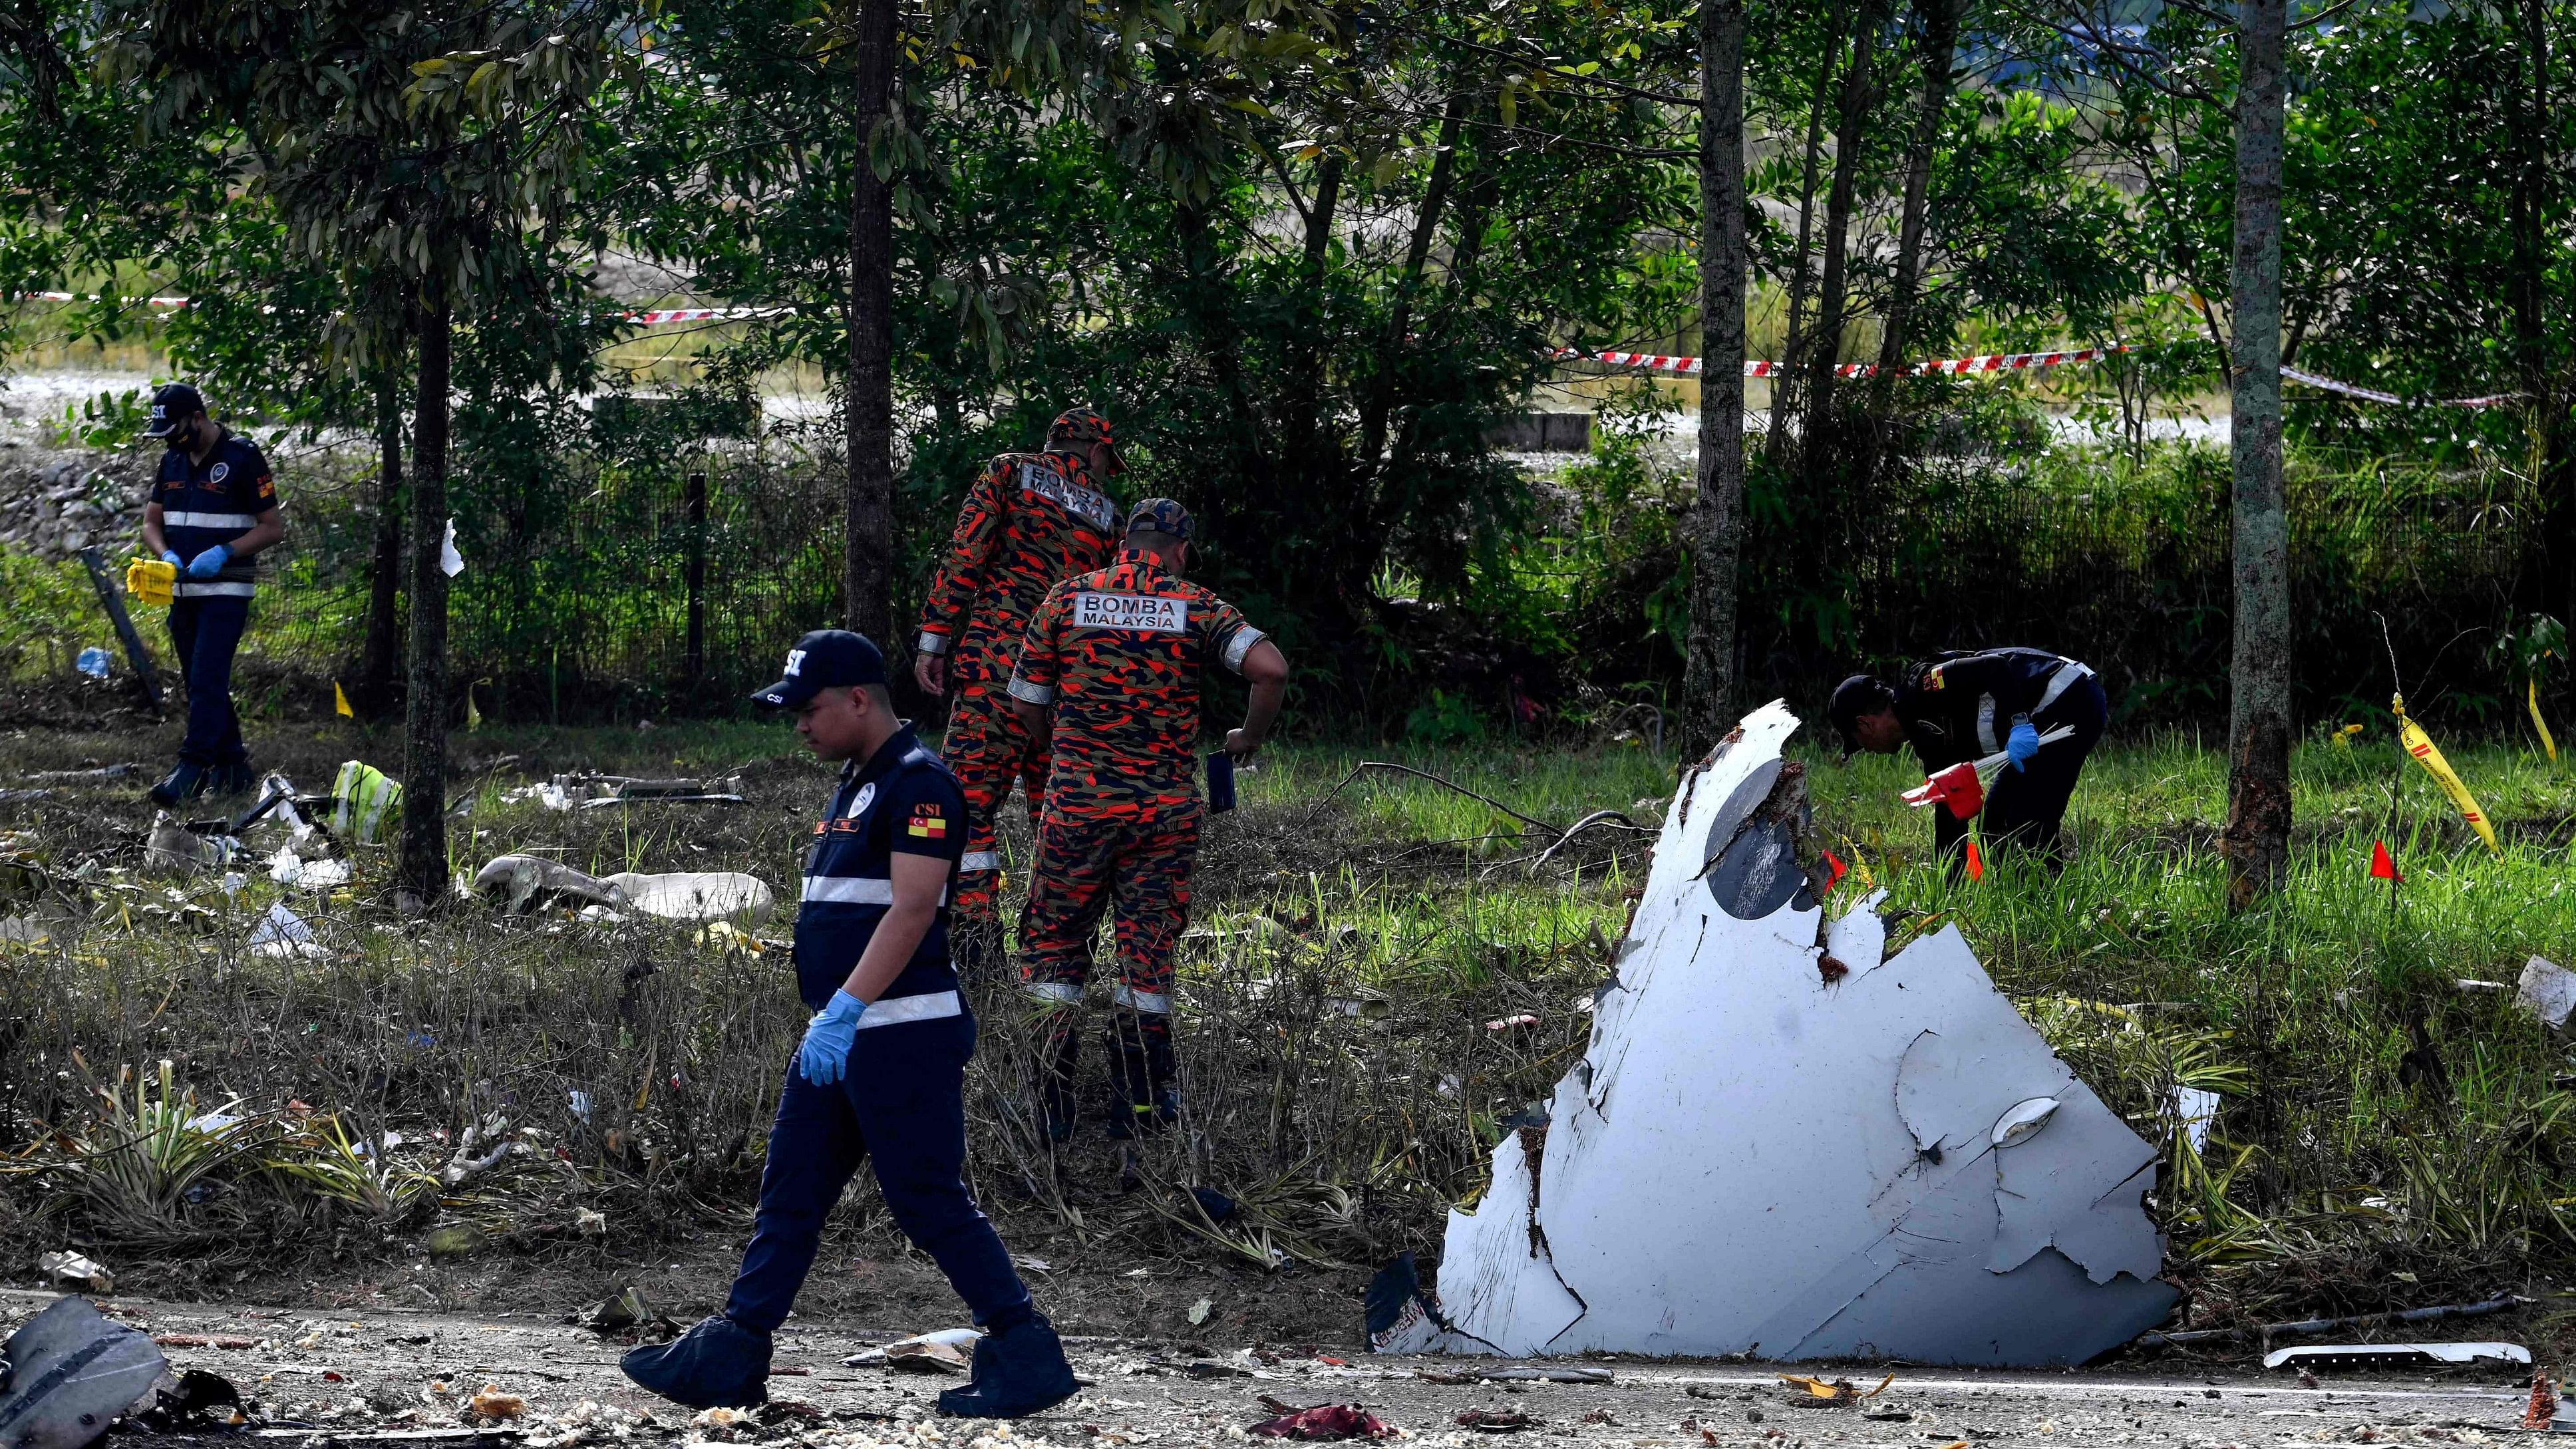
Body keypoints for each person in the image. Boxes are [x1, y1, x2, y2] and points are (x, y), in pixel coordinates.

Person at [622, 630, 1077, 1419]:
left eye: (810, 708)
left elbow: (911, 910)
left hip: (898, 1032)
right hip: (840, 1034)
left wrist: (846, 1007)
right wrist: (831, 1018)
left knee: (927, 1199)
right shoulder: (857, 780)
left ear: (860, 699)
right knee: (791, 1192)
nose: (798, 723)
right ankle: (734, 1351)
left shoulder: (920, 784)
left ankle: (1024, 1348)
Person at [1006, 500, 1287, 1143]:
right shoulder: (1195, 603)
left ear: (1124, 541)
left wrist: (1068, 755)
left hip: (1078, 805)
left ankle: (1049, 1108)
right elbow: (1271, 670)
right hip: (1162, 813)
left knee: (1052, 946)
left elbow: (1024, 698)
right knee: (1147, 950)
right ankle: (1140, 1109)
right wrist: (1247, 737)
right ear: (1181, 550)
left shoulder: (1067, 597)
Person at [913, 408, 1126, 967]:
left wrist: (935, 637)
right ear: (1093, 449)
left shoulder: (1009, 472)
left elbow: (968, 552)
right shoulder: (1109, 514)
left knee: (966, 806)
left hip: (996, 668)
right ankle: (1059, 945)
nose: (1107, 471)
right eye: (1107, 460)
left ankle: (974, 940)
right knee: (1056, 815)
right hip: (1065, 685)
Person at [138, 383, 285, 806]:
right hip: (183, 591)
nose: (170, 439)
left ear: (197, 417)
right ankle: (234, 767)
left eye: (175, 429)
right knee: (200, 682)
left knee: (206, 677)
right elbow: (150, 523)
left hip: (226, 590)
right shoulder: (172, 460)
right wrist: (163, 552)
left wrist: (223, 552)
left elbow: (272, 527)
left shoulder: (243, 458)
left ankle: (193, 767)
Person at [1830, 647, 2107, 870]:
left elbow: (1995, 668)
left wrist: (2019, 723)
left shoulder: (1924, 686)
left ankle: (2054, 903)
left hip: (2070, 698)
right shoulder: (1927, 742)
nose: (1867, 750)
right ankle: (2022, 902)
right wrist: (1948, 887)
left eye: (1859, 744)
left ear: (1865, 724)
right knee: (1994, 824)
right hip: (2049, 714)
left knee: (2024, 820)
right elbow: (1951, 813)